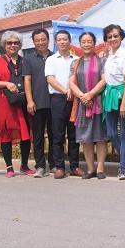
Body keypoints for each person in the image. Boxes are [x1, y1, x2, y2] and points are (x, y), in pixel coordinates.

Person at [0, 31, 33, 177]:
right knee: (5, 132)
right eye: (9, 43)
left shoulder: (25, 61)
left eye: (15, 43)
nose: (12, 45)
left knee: (25, 133)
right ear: (5, 45)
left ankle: (24, 165)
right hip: (5, 102)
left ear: (20, 45)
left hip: (22, 101)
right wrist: (6, 83)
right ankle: (9, 167)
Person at [68, 32, 109, 179]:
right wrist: (83, 96)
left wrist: (90, 95)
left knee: (100, 137)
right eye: (83, 42)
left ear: (94, 43)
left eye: (89, 41)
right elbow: (71, 83)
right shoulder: (75, 63)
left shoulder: (102, 61)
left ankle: (100, 168)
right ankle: (91, 169)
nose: (86, 44)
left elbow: (104, 80)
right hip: (82, 104)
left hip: (97, 102)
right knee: (85, 138)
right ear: (80, 44)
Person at [45, 29, 83, 179]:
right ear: (56, 42)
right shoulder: (51, 59)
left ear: (69, 41)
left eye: (65, 39)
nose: (62, 42)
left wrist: (73, 91)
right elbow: (50, 79)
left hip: (75, 99)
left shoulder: (77, 59)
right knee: (58, 135)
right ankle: (59, 167)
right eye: (59, 39)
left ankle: (74, 166)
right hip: (58, 99)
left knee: (74, 135)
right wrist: (65, 90)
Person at [102, 24, 125, 180]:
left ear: (121, 36)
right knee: (110, 132)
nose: (113, 39)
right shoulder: (109, 55)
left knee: (123, 133)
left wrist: (124, 103)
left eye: (115, 35)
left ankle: (122, 167)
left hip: (122, 94)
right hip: (110, 94)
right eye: (109, 37)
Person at [23, 28, 55, 178]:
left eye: (43, 39)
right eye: (37, 40)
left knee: (55, 136)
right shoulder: (28, 59)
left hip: (55, 102)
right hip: (37, 102)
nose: (40, 42)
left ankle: (54, 164)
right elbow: (27, 80)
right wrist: (30, 100)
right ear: (33, 42)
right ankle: (40, 166)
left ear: (48, 40)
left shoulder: (55, 57)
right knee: (38, 136)